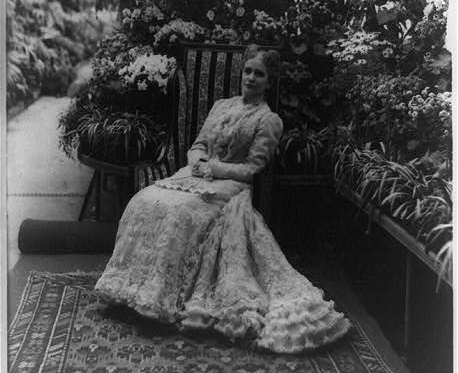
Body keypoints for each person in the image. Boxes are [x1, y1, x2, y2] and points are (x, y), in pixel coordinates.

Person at [95, 45, 350, 353]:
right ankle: (130, 289)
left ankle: (160, 298)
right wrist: (198, 162)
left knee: (180, 214)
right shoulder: (221, 106)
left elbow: (252, 170)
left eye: (259, 74)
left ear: (269, 82)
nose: (251, 78)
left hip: (230, 187)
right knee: (145, 200)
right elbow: (199, 144)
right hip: (196, 174)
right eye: (248, 71)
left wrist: (213, 168)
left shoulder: (268, 120)